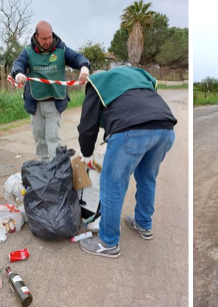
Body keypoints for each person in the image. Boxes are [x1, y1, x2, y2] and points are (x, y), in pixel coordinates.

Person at [77, 66, 177, 258]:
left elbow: (87, 125)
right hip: (165, 129)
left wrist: (86, 154)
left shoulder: (96, 83)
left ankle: (108, 242)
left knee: (113, 184)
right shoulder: (137, 75)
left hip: (131, 132)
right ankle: (143, 224)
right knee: (147, 178)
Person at [10, 20, 90, 161]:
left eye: (50, 37)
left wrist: (84, 66)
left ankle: (56, 168)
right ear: (36, 37)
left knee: (53, 137)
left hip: (54, 102)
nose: (48, 41)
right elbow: (18, 64)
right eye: (44, 39)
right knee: (39, 138)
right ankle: (43, 169)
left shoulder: (61, 49)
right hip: (35, 104)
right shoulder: (28, 51)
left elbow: (78, 58)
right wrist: (18, 74)